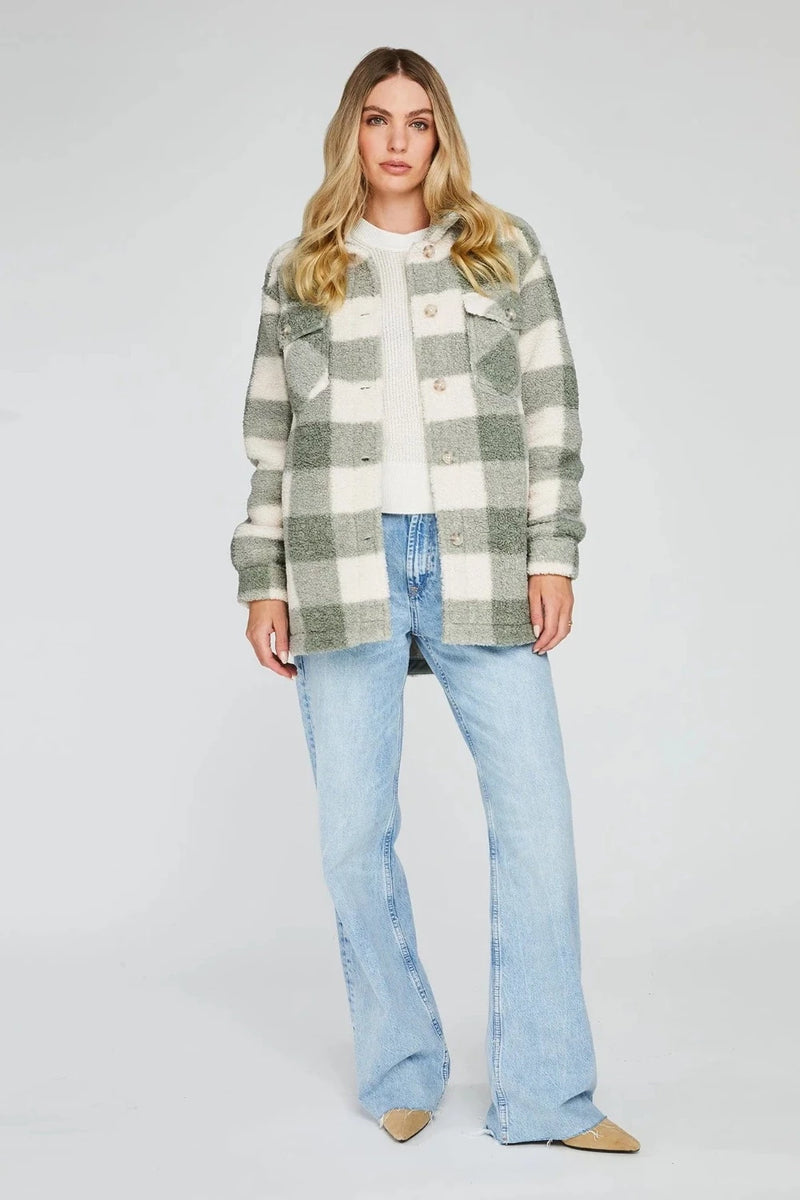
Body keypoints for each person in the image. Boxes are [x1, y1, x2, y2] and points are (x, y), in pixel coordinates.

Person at [230, 45, 640, 1153]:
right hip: (339, 558)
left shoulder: (502, 251)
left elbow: (551, 411)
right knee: (352, 837)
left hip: (480, 558)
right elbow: (269, 439)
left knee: (537, 826)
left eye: (418, 120)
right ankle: (402, 1064)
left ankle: (547, 1095)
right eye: (378, 119)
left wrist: (551, 554)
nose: (399, 140)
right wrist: (262, 578)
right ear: (351, 134)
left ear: (442, 134)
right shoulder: (300, 270)